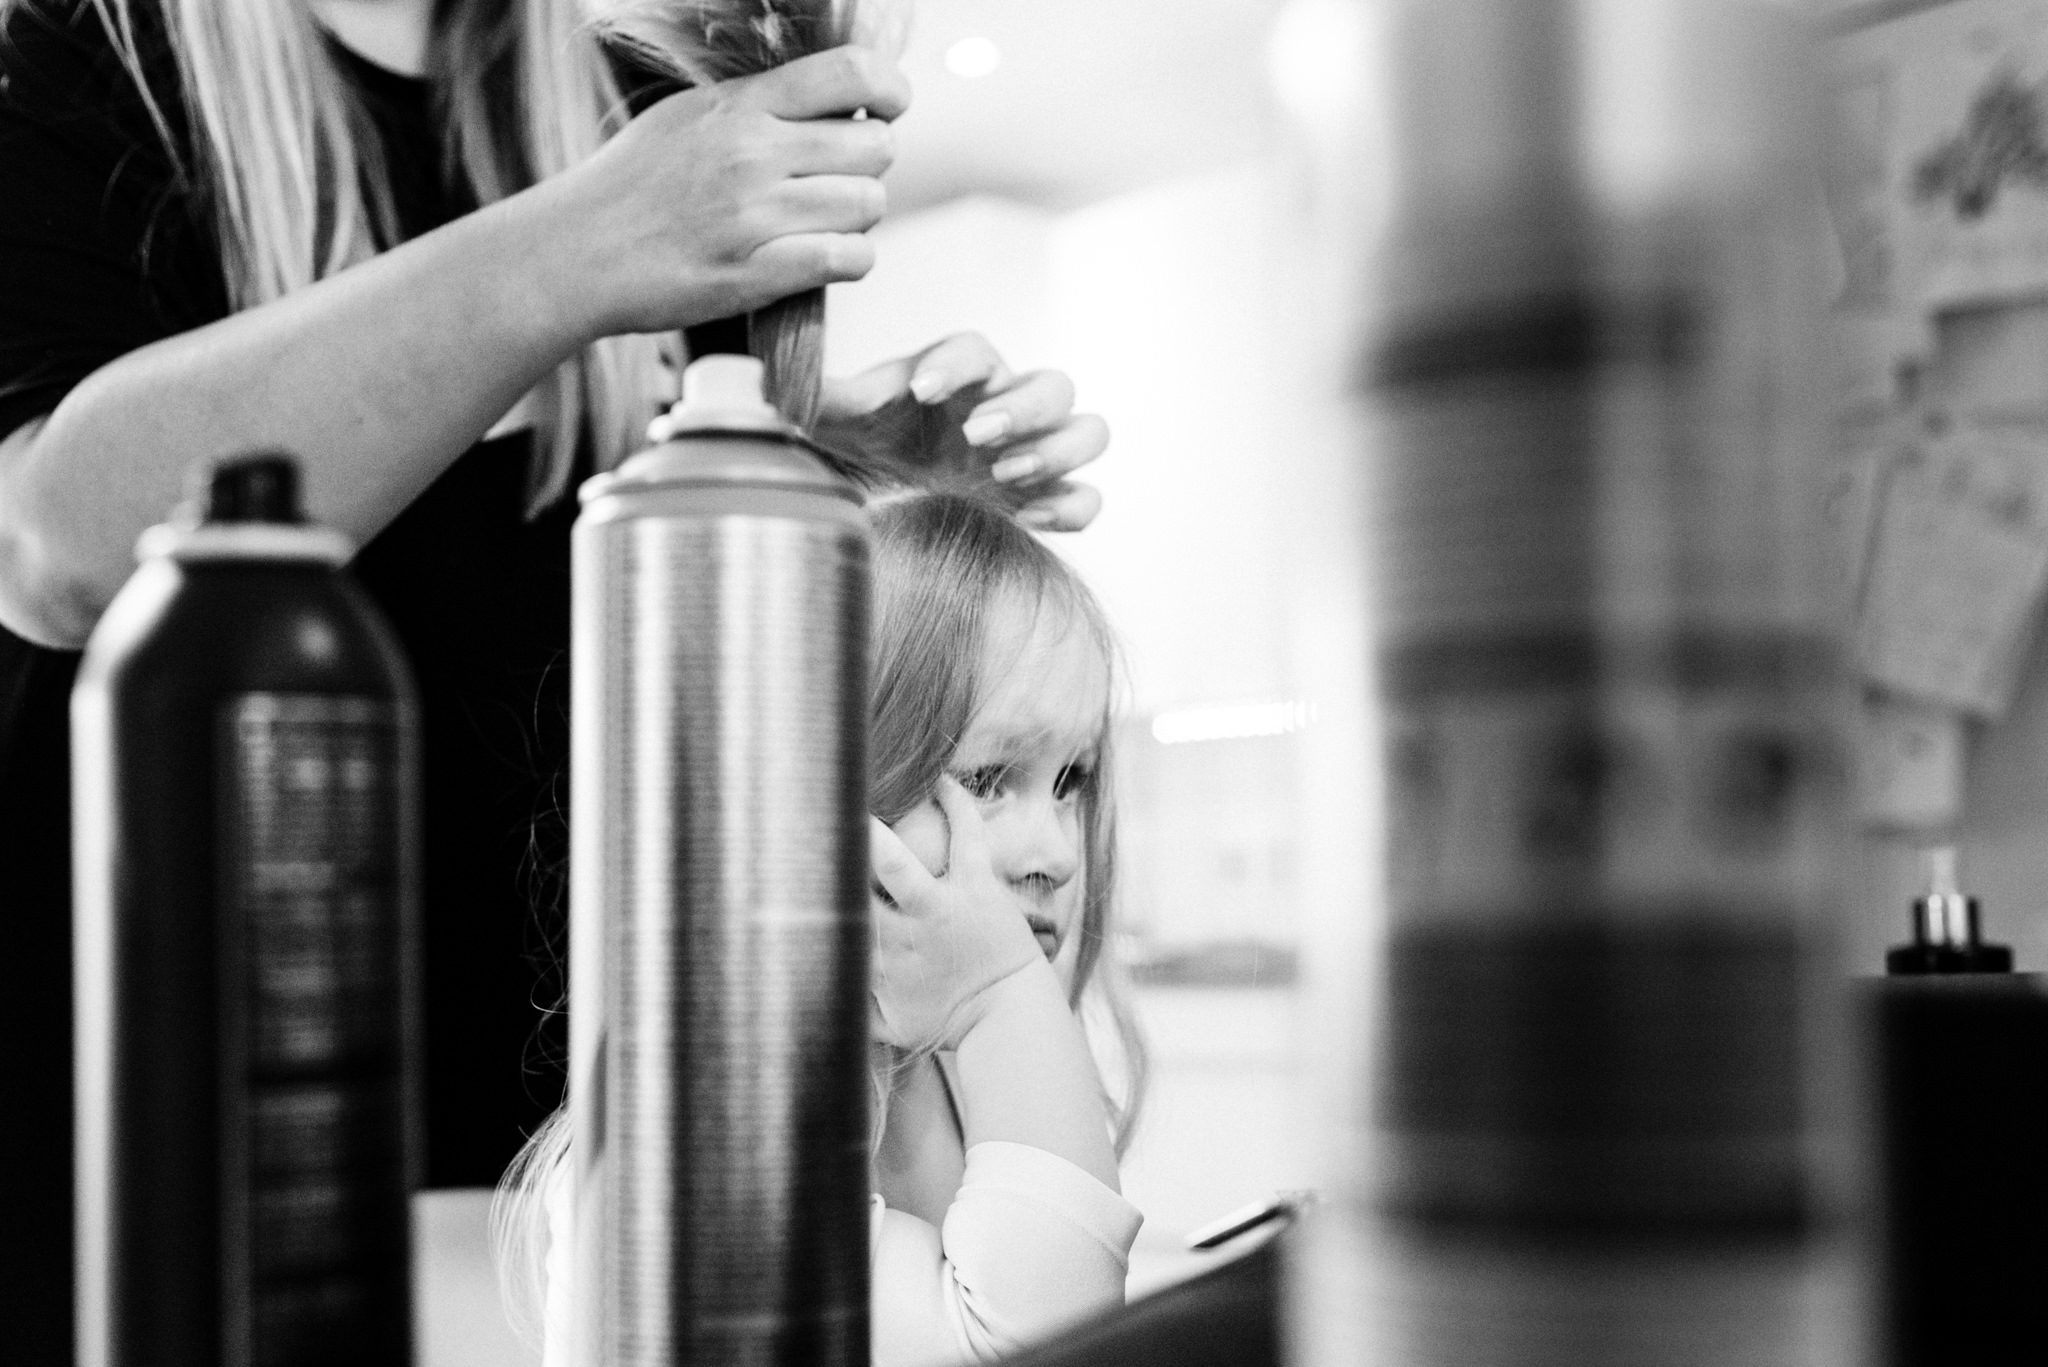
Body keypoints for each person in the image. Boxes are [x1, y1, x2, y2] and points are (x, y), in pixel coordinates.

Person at [0, 2, 1107, 1359]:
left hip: (542, 1157)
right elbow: (58, 546)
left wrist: (826, 481)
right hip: (174, 1144)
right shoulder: (98, 57)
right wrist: (585, 242)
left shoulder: (625, 96)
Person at [496, 490, 1149, 1366]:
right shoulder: (699, 1136)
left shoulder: (955, 1068)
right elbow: (1046, 1346)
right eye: (989, 779)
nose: (1058, 853)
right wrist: (1001, 994)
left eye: (1072, 780)